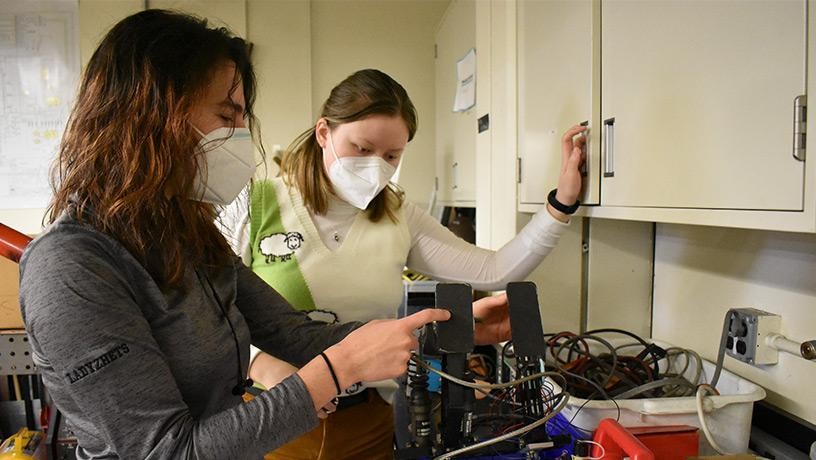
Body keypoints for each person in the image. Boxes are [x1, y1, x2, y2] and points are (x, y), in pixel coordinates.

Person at [17, 10, 510, 459]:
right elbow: (167, 451)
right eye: (226, 115)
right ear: (148, 114)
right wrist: (337, 372)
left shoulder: (187, 239)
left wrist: (435, 333)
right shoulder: (70, 268)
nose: (238, 138)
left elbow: (293, 333)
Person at [225, 69, 587, 459]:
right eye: (362, 149)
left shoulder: (398, 215)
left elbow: (496, 269)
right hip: (269, 415)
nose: (376, 166)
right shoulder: (254, 205)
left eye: (391, 156)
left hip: (365, 419)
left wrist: (560, 205)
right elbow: (205, 311)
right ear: (323, 132)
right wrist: (262, 365)